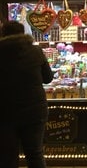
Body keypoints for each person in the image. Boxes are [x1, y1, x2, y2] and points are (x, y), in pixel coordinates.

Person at [0, 20, 53, 167]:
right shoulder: (35, 51)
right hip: (35, 111)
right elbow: (48, 78)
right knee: (35, 154)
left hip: (5, 111)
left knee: (7, 156)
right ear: (23, 33)